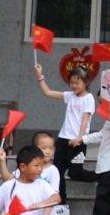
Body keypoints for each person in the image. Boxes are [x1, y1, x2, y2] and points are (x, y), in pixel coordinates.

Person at [35, 55, 97, 183]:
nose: (73, 86)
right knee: (58, 172)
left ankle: (102, 178)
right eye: (71, 82)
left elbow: (85, 120)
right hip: (63, 138)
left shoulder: (89, 98)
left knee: (75, 172)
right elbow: (48, 92)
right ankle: (61, 200)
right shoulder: (70, 95)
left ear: (86, 82)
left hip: (78, 141)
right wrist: (40, 76)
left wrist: (80, 138)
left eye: (77, 83)